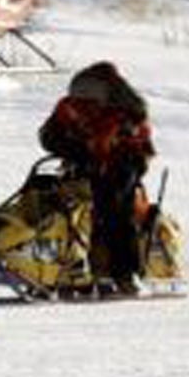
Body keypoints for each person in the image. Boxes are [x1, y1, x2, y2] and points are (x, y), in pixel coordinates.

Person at [37, 60, 156, 295]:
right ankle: (60, 268)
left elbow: (136, 147)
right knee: (53, 207)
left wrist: (115, 165)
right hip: (83, 166)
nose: (84, 98)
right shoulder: (69, 107)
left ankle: (122, 274)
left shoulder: (127, 111)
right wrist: (76, 151)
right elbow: (48, 136)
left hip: (120, 168)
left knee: (113, 213)